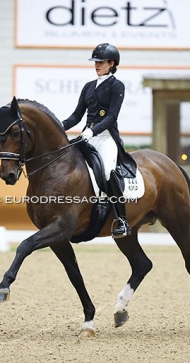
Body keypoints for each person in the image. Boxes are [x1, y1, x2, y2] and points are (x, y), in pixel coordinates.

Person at [62, 43, 134, 238]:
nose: (96, 65)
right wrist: (58, 128)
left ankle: (122, 220)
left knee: (109, 171)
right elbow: (76, 116)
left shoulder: (116, 85)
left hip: (106, 136)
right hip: (87, 135)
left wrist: (92, 131)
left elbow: (111, 116)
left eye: (100, 62)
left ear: (112, 63)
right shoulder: (88, 87)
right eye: (95, 62)